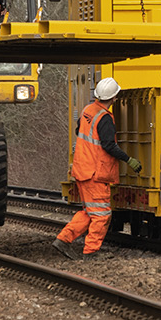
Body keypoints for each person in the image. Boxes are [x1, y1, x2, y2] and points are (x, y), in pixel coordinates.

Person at [53, 77, 143, 259]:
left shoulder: (88, 110)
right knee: (102, 214)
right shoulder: (105, 118)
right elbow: (109, 145)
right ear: (115, 97)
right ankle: (91, 252)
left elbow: (80, 131)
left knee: (89, 212)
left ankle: (63, 240)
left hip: (82, 169)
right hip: (95, 173)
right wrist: (128, 159)